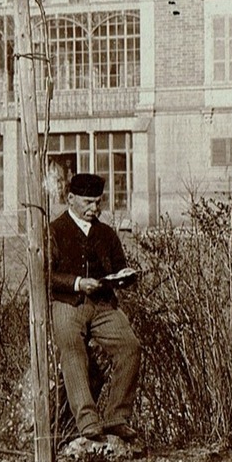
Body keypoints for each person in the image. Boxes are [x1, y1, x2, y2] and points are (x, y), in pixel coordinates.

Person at [48, 171, 142, 445]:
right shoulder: (54, 231)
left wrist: (124, 277)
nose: (94, 209)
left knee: (130, 347)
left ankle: (116, 418)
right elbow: (45, 273)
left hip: (102, 305)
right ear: (71, 199)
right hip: (68, 302)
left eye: (98, 202)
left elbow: (119, 266)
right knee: (72, 347)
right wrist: (77, 283)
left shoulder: (106, 233)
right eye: (88, 202)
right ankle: (88, 422)